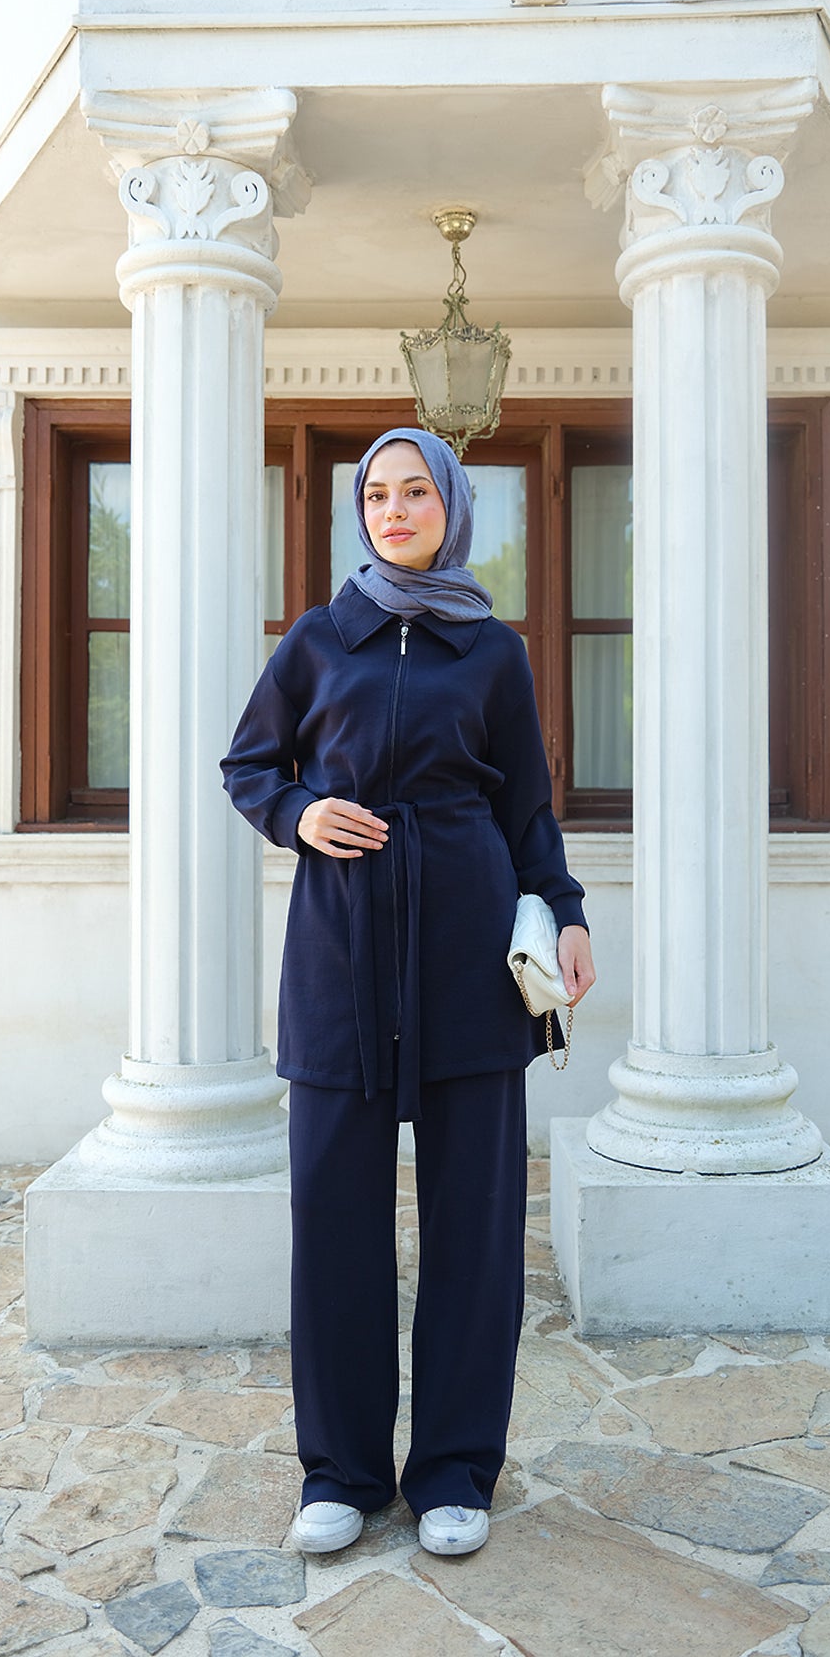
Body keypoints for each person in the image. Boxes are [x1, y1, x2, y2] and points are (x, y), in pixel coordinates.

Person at [221, 426, 595, 1558]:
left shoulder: (493, 651)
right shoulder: (317, 638)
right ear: (361, 513)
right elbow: (250, 765)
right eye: (377, 494)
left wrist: (567, 909)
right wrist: (300, 814)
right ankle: (340, 1473)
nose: (394, 510)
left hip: (469, 957)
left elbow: (527, 806)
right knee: (334, 1220)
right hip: (337, 959)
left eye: (415, 492)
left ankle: (454, 1473)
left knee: (475, 1227)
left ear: (451, 507)